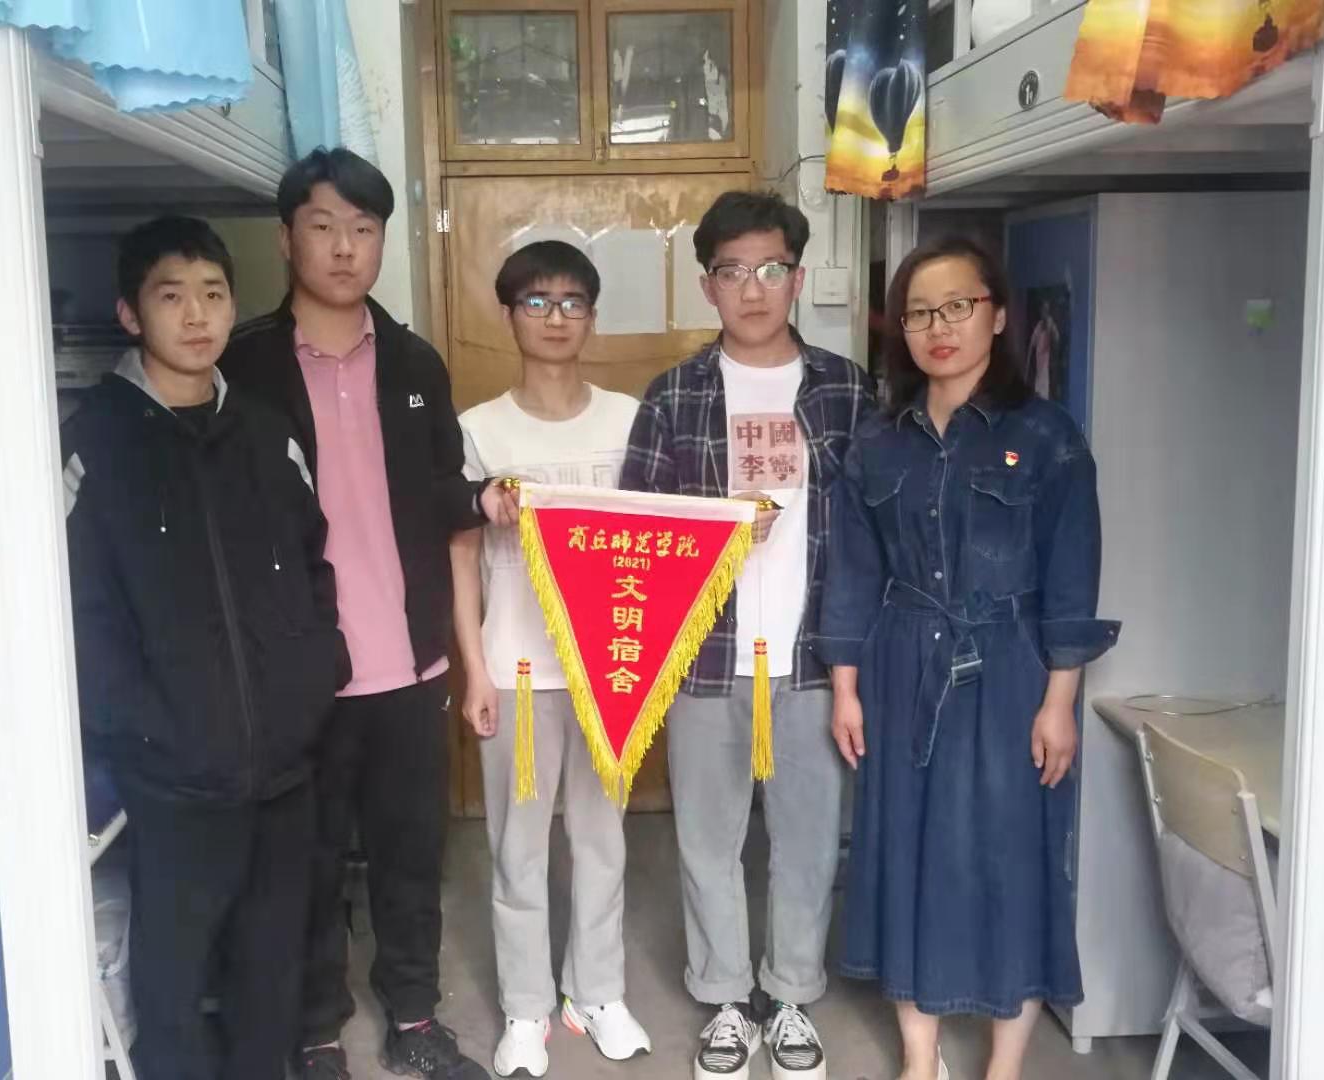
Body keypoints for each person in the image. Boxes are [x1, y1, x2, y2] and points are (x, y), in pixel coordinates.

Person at [220, 147, 513, 1080]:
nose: (344, 247)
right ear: (286, 239)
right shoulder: (243, 365)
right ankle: (315, 1030)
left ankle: (416, 1016)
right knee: (305, 861)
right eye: (323, 226)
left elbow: (438, 493)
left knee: (410, 855)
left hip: (410, 662)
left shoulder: (416, 361)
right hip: (297, 669)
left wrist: (485, 501)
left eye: (363, 228)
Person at [816, 235, 1120, 1080]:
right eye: (919, 313)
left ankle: (1003, 1065)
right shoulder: (879, 441)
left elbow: (1071, 576)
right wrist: (846, 689)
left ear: (998, 314)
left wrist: (1059, 701)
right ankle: (920, 1057)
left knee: (1008, 856)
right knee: (905, 849)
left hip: (1012, 667)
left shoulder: (1048, 437)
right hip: (902, 662)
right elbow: (852, 572)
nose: (938, 328)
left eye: (957, 306)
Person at [61, 215, 347, 1079]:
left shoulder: (266, 433)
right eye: (171, 296)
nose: (197, 316)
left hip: (284, 766)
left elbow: (314, 566)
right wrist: (148, 725)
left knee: (271, 964)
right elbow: (80, 613)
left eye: (214, 294)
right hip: (172, 774)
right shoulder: (93, 442)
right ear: (129, 313)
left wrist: (312, 682)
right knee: (175, 977)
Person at [620, 190, 874, 1080]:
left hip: (813, 658)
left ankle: (793, 992)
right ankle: (727, 997)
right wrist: (711, 532)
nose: (754, 288)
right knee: (708, 838)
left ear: (797, 278)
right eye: (733, 271)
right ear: (708, 285)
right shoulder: (674, 394)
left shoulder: (848, 388)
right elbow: (639, 535)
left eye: (771, 268)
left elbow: (876, 532)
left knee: (807, 839)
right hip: (707, 657)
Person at [449, 241, 652, 1078]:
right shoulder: (479, 429)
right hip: (519, 669)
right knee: (518, 847)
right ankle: (527, 1007)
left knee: (603, 842)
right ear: (510, 316)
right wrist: (475, 669)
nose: (555, 317)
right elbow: (461, 555)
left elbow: (658, 544)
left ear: (592, 316)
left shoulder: (630, 419)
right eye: (536, 302)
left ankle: (596, 993)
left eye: (572, 302)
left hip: (610, 672)